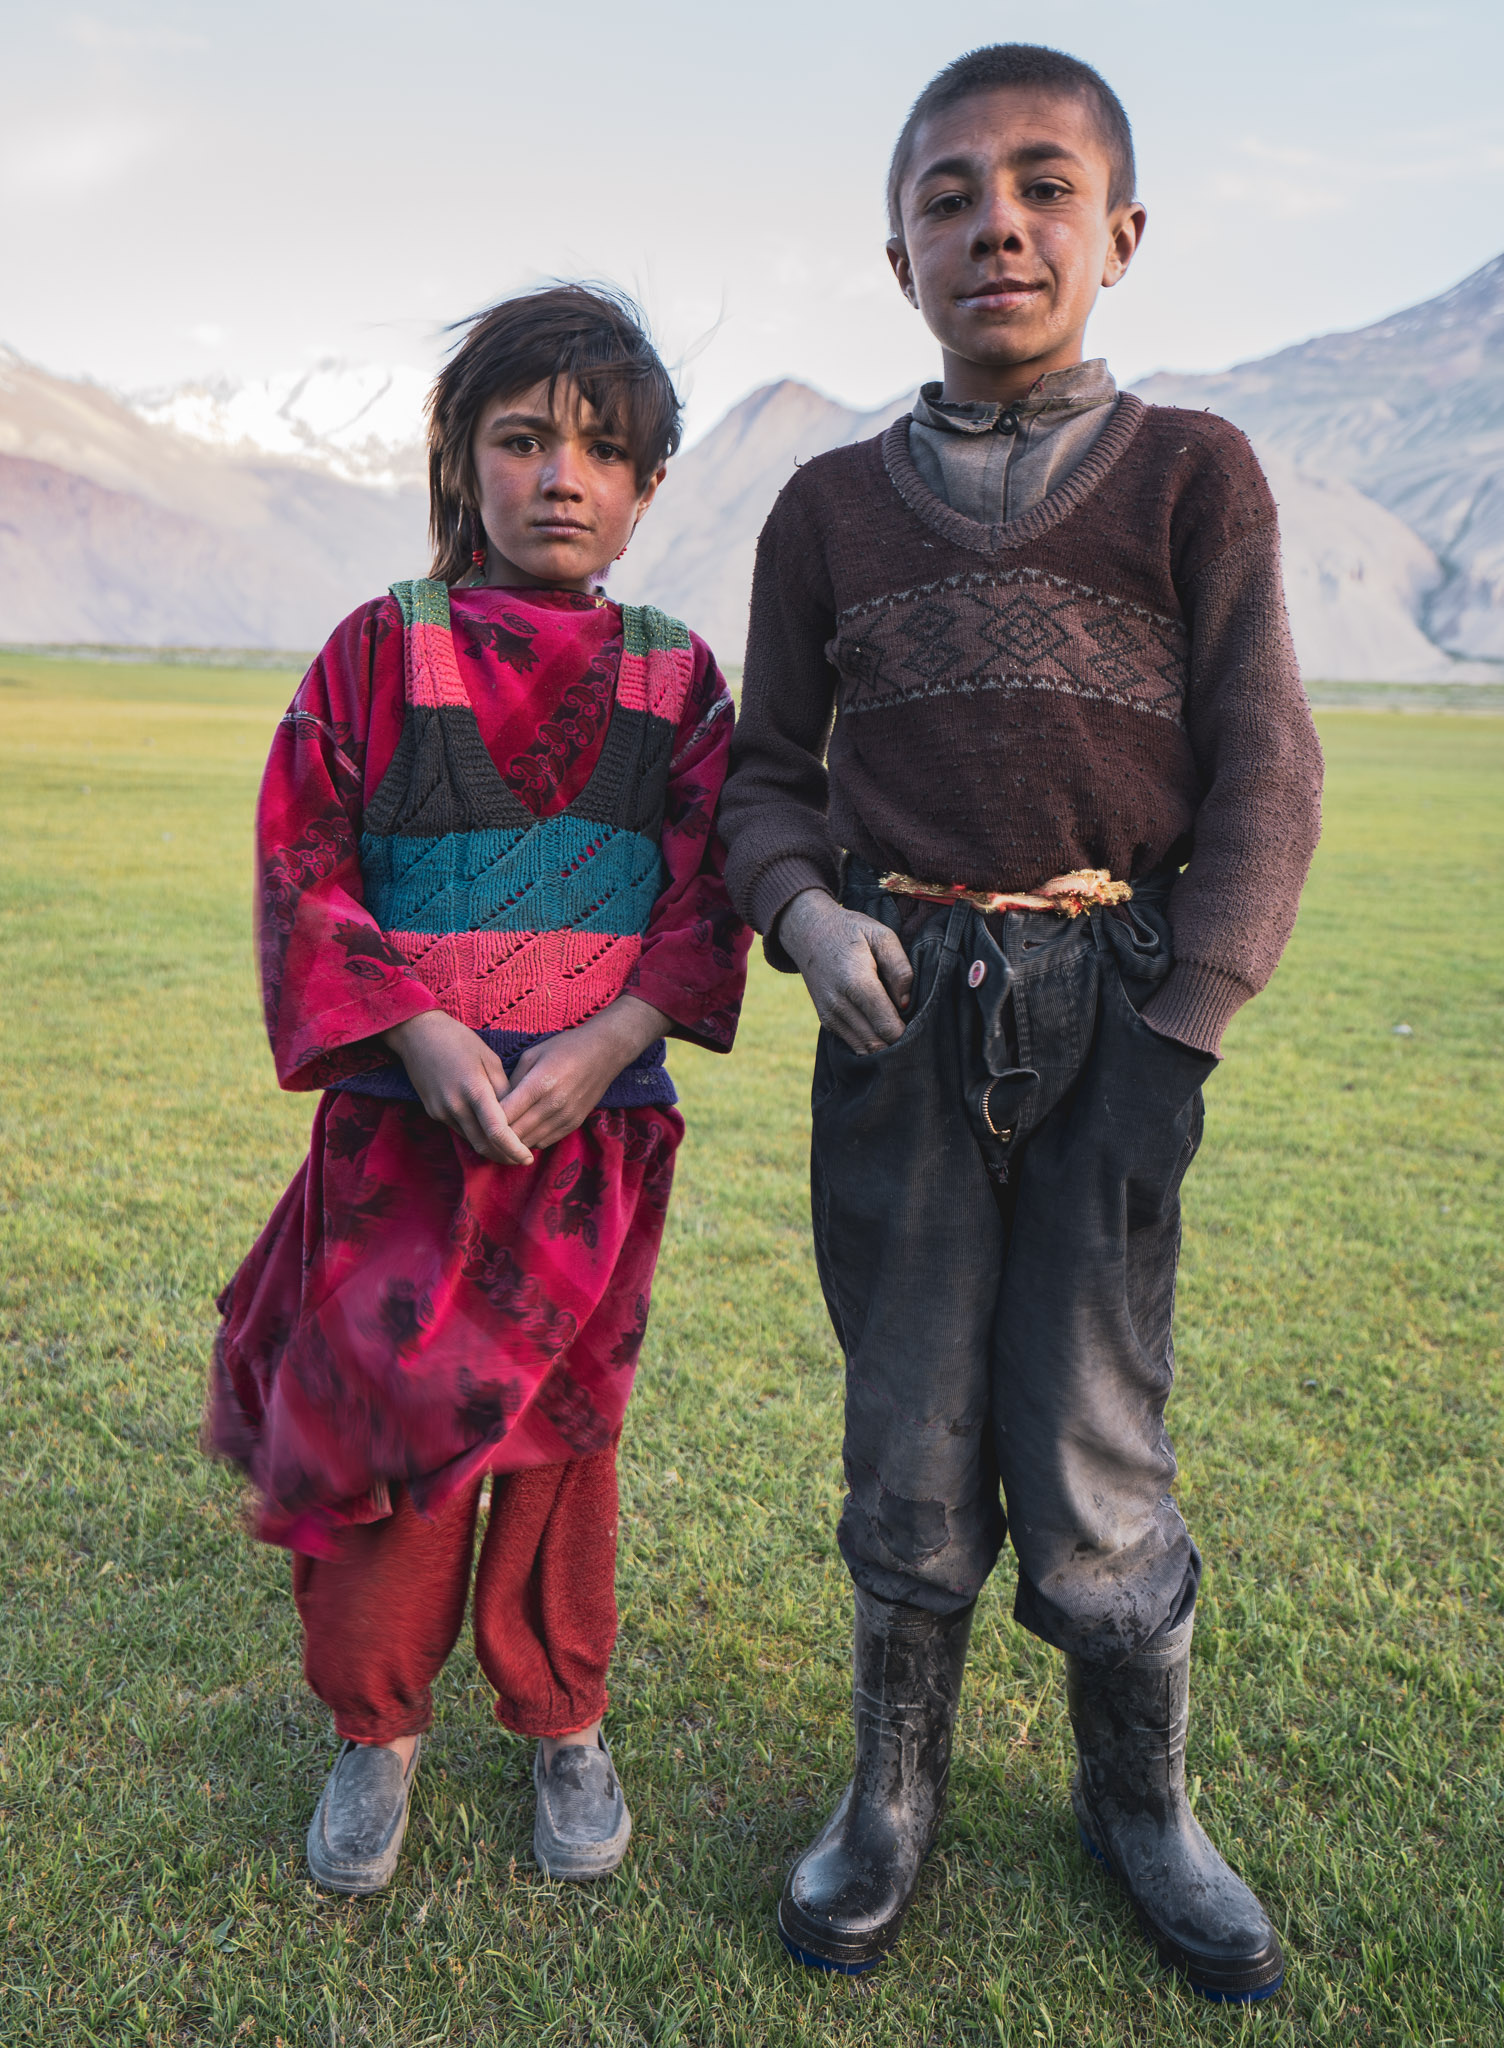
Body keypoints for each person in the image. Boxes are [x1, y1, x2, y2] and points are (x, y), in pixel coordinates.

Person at [719, 43, 1321, 2002]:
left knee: (1086, 1437)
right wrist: (802, 917)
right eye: (948, 194)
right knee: (905, 1430)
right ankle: (891, 1796)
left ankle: (1134, 1799)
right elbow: (762, 779)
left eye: (1042, 186)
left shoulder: (1187, 480)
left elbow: (1263, 770)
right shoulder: (820, 512)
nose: (995, 222)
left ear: (1117, 233)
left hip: (1113, 1013)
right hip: (891, 1011)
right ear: (893, 256)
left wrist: (1183, 1028)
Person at [206, 285, 749, 1896]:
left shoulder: (680, 680)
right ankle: (376, 1728)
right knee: (383, 1419)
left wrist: (604, 1045)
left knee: (563, 1437)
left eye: (602, 449)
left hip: (595, 1144)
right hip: (399, 1136)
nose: (561, 475)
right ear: (465, 462)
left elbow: (708, 894)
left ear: (649, 488)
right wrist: (420, 1032)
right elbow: (305, 862)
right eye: (523, 439)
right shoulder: (378, 650)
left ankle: (560, 1714)